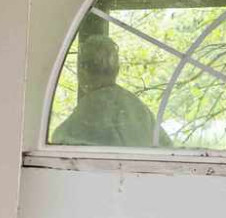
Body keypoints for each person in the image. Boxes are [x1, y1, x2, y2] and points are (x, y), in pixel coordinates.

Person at [55, 13, 166, 147]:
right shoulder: (138, 108)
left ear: (82, 71)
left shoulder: (89, 110)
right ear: (117, 70)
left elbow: (58, 143)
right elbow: (166, 147)